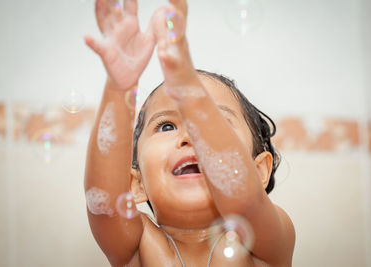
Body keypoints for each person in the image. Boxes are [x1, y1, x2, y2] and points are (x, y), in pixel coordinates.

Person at [84, 0, 295, 266]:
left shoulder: (264, 242)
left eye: (211, 121)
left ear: (259, 171)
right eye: (166, 126)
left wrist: (186, 84)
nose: (190, 136)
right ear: (135, 185)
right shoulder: (138, 246)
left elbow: (246, 200)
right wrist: (119, 86)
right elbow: (103, 203)